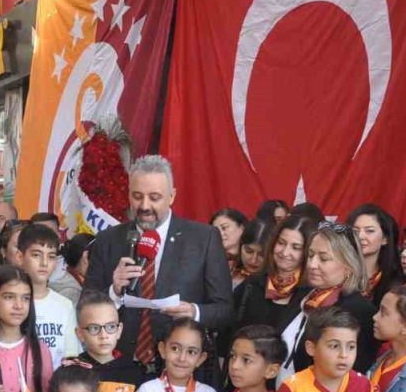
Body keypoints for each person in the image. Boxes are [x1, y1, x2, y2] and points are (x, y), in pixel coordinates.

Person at [83, 155, 233, 375]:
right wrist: (113, 291)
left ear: (172, 196)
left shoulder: (204, 239)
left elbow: (225, 311)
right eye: (137, 196)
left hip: (182, 374)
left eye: (154, 197)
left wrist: (194, 311)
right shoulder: (108, 240)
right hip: (119, 369)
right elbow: (85, 305)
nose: (145, 206)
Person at [281, 225, 379, 379]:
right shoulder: (303, 295)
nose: (312, 264)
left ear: (348, 267)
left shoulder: (359, 311)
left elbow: (352, 373)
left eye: (324, 258)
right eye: (311, 255)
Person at [230, 214, 315, 336]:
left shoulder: (312, 293)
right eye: (281, 243)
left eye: (296, 248)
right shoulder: (253, 283)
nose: (285, 252)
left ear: (308, 252)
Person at [18, 224, 80, 368]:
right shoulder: (11, 304)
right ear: (20, 257)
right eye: (36, 255)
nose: (44, 263)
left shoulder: (64, 305)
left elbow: (71, 356)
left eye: (51, 257)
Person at [345, 203, 399, 304]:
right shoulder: (340, 272)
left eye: (369, 231)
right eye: (355, 231)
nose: (360, 236)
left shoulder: (395, 281)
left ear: (385, 239)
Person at [211, 208, 249, 284]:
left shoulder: (254, 259)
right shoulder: (211, 262)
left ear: (242, 228)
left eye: (224, 228)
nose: (220, 233)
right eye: (216, 230)